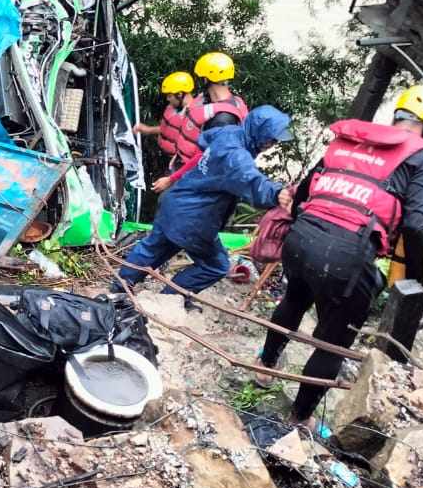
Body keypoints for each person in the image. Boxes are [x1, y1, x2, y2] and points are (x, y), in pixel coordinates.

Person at [256, 84, 423, 427]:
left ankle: (264, 367)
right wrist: (418, 277)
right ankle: (298, 418)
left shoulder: (351, 138)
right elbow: (414, 222)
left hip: (301, 235)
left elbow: (305, 189)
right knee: (336, 338)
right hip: (345, 253)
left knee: (294, 297)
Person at [115, 105, 293, 303]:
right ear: (259, 132)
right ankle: (170, 299)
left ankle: (118, 289)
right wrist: (276, 193)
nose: (273, 143)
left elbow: (204, 138)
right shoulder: (236, 155)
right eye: (271, 137)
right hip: (194, 218)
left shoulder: (230, 133)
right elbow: (251, 180)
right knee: (215, 265)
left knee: (153, 248)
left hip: (176, 202)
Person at [152, 52, 249, 194]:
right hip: (183, 166)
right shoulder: (207, 99)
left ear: (207, 79)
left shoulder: (223, 119)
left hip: (196, 180)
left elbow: (204, 158)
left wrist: (171, 179)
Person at [133, 72, 196, 170]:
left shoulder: (194, 116)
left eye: (170, 96)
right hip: (167, 159)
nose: (167, 99)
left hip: (180, 165)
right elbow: (169, 129)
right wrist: (148, 130)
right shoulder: (176, 108)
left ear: (180, 94)